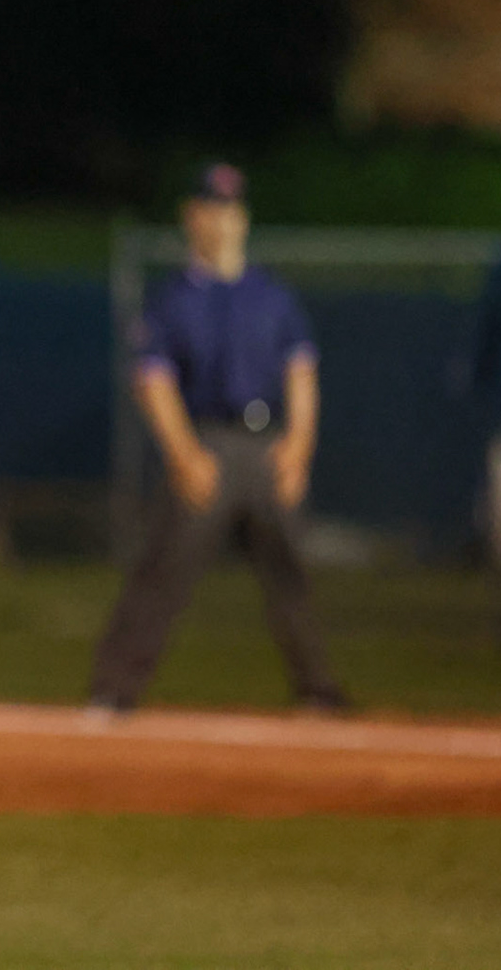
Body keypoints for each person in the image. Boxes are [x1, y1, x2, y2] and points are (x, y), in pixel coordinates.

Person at [88, 163, 350, 715]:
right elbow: (153, 380)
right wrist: (183, 454)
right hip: (207, 445)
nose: (222, 221)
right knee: (164, 570)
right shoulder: (173, 298)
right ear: (192, 217)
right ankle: (113, 692)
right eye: (211, 208)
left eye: (230, 209)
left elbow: (301, 374)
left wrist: (299, 447)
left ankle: (318, 691)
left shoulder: (271, 296)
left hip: (267, 447)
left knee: (290, 575)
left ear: (243, 218)